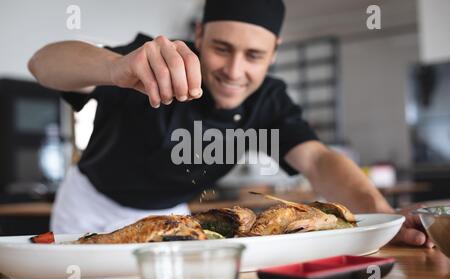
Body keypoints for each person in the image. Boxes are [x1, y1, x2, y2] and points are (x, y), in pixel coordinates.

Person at [28, 0, 431, 247]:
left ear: (274, 53)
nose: (234, 71)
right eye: (222, 48)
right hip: (91, 207)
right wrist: (113, 66)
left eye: (254, 55)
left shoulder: (269, 99)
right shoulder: (150, 61)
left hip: (172, 213)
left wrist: (382, 218)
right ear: (200, 34)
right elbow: (42, 64)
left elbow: (319, 161)